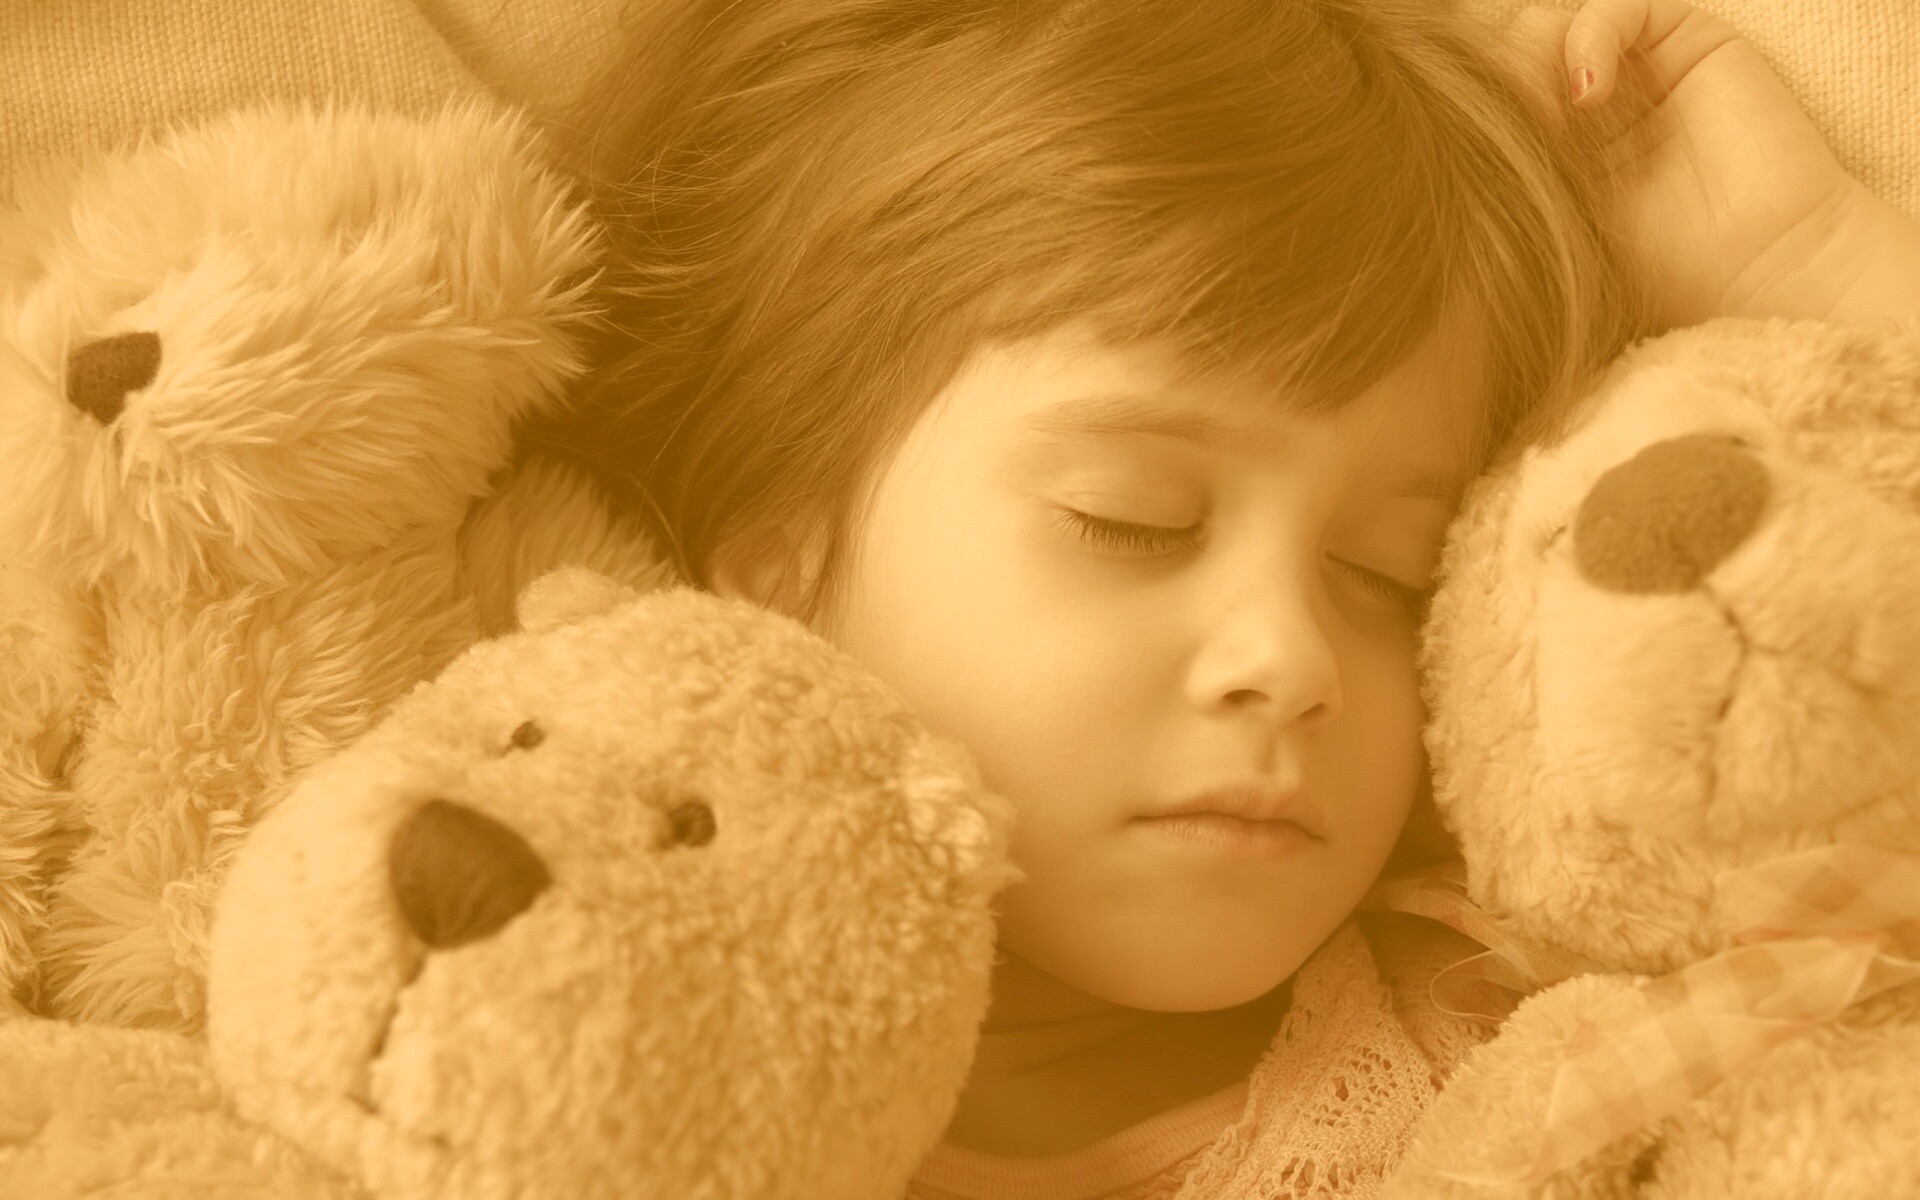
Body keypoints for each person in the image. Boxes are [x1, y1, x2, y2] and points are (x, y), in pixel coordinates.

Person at [525, 0, 1920, 1194]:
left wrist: (1807, 272)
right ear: (776, 556)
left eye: (1391, 573)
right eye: (1133, 520)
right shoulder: (568, 1051)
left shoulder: (1540, 1043)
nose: (1289, 656)